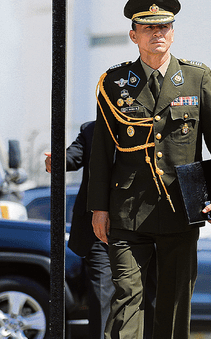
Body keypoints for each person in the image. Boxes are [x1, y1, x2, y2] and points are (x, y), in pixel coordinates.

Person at [87, 0, 211, 339]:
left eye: (165, 27)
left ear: (173, 31)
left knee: (175, 302)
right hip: (127, 210)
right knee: (126, 300)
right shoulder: (115, 83)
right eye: (148, 28)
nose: (158, 34)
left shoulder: (197, 78)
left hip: (181, 207)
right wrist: (98, 208)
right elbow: (102, 151)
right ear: (134, 35)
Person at [45, 121, 156, 339]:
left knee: (147, 297)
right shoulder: (91, 130)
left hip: (141, 231)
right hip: (99, 233)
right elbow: (71, 157)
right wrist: (55, 161)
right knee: (101, 297)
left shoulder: (151, 126)